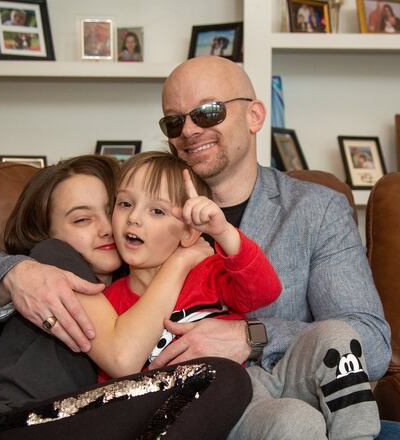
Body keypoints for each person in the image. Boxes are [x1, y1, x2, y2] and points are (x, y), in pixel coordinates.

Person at [0, 56, 400, 439]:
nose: (190, 129)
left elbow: (369, 341)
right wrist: (14, 272)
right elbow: (61, 230)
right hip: (196, 418)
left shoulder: (317, 210)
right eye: (175, 120)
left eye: (209, 112)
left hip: (300, 398)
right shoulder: (145, 205)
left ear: (255, 115)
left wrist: (249, 337)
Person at [0, 155, 251, 439]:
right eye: (82, 219)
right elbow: (122, 358)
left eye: (114, 209)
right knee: (218, 379)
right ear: (48, 234)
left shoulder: (134, 282)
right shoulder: (56, 258)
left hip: (76, 421)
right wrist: (181, 261)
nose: (107, 228)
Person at [103, 151, 380, 438]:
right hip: (216, 412)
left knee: (337, 336)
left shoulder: (208, 271)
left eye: (156, 211)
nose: (133, 218)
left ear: (189, 233)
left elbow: (264, 290)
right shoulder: (110, 304)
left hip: (259, 378)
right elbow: (110, 391)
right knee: (297, 421)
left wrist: (224, 233)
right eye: (125, 204)